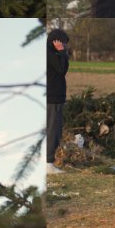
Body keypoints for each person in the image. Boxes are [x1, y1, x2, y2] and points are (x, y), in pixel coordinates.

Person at [47, 28, 70, 175]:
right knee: (52, 131)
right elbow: (62, 69)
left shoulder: (52, 53)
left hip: (55, 97)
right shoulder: (50, 54)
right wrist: (62, 52)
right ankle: (48, 164)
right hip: (52, 98)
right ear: (57, 41)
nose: (65, 46)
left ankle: (49, 162)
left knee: (54, 130)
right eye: (64, 43)